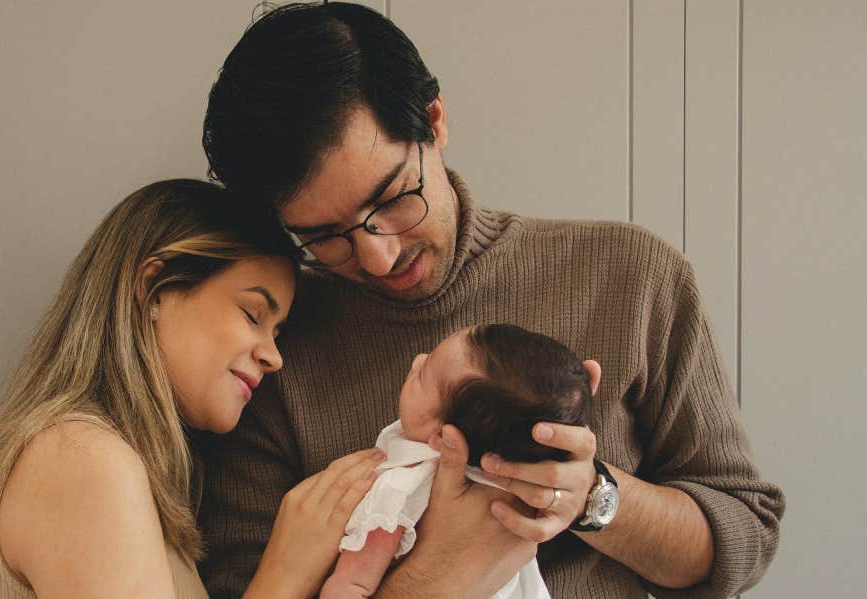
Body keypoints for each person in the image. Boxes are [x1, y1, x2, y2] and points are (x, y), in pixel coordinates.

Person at [198, 3, 785, 598]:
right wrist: (442, 574)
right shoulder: (270, 350)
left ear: (434, 120)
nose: (379, 257)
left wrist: (589, 497)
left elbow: (742, 539)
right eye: (323, 237)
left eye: (394, 197)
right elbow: (239, 588)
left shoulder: (630, 276)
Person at [0, 179, 387, 599]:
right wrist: (285, 574)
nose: (274, 356)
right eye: (252, 315)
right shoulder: (82, 461)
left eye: (278, 332)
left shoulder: (96, 461)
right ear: (153, 287)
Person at [322, 324, 596, 599]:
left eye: (422, 375)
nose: (416, 360)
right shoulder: (521, 491)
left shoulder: (402, 487)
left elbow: (351, 585)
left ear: (444, 437)